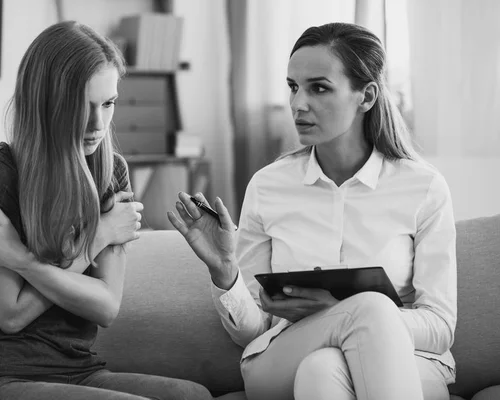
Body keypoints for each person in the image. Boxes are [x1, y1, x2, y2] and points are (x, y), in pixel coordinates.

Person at [168, 22, 456, 400]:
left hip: (413, 361)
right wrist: (224, 271)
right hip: (280, 359)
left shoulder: (423, 187)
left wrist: (342, 312)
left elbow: (439, 326)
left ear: (366, 96)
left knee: (324, 369)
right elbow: (253, 330)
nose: (297, 104)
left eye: (318, 88)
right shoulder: (269, 185)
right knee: (365, 311)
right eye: (293, 87)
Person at [0, 21, 213, 400]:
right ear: (47, 103)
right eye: (81, 105)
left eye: (108, 103)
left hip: (78, 369)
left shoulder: (111, 171)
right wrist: (100, 235)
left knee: (194, 396)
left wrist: (22, 261)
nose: (97, 124)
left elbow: (106, 306)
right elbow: (11, 315)